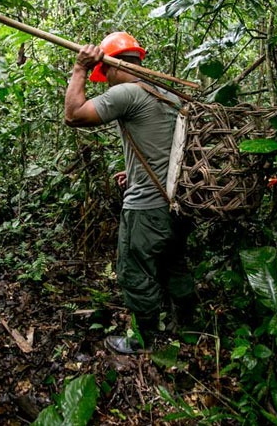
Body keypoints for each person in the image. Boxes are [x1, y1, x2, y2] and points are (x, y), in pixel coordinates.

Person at [64, 32, 197, 355]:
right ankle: (190, 330)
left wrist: (80, 68)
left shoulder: (127, 92)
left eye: (104, 73)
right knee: (173, 264)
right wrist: (134, 169)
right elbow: (167, 147)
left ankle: (144, 339)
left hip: (146, 208)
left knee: (133, 270)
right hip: (177, 203)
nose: (105, 80)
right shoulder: (168, 94)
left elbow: (74, 115)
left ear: (114, 65)